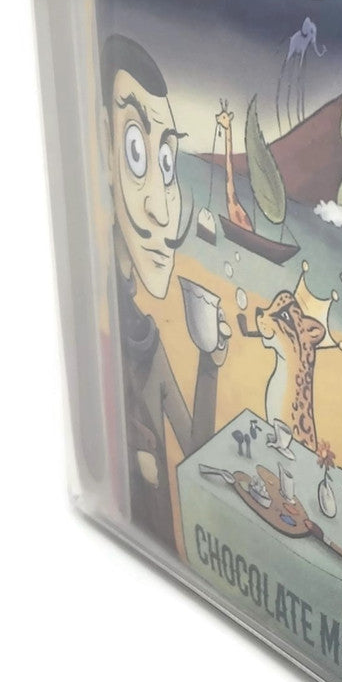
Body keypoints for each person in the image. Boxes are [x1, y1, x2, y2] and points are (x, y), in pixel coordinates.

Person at [102, 34, 230, 553]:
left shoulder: (144, 338)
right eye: (136, 152)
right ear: (103, 152)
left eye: (168, 163)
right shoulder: (99, 324)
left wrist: (210, 363)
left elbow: (197, 448)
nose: (161, 208)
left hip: (160, 564)